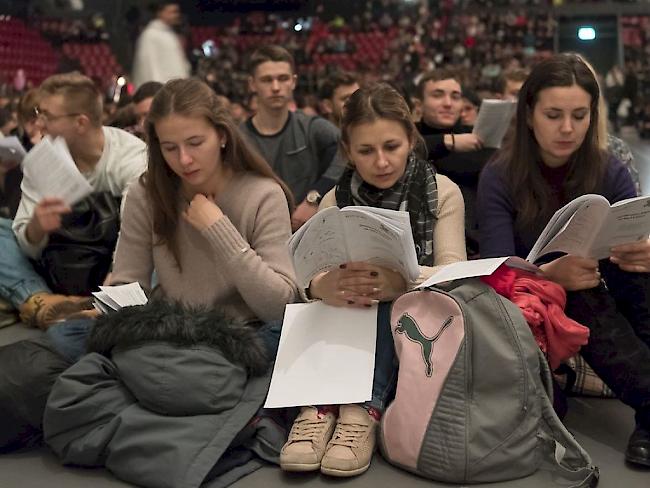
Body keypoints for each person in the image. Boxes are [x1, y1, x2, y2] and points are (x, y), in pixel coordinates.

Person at [280, 83, 466, 477]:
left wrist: (403, 281)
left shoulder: (442, 192)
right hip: (344, 315)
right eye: (366, 151)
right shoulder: (334, 198)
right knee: (302, 314)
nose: (381, 161)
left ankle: (358, 412)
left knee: (382, 307)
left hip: (413, 322)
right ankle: (318, 410)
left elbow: (454, 273)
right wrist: (319, 286)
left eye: (392, 147)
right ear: (348, 150)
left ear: (411, 140)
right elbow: (307, 275)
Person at [477, 53, 650, 468]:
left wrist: (642, 248)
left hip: (604, 276)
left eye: (579, 115)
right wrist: (549, 273)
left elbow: (630, 226)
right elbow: (495, 269)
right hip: (539, 294)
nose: (568, 128)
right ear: (530, 114)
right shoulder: (500, 175)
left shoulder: (606, 166)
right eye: (554, 115)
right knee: (584, 297)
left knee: (639, 273)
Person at [0, 72, 147, 329]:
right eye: (38, 113)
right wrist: (35, 229)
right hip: (60, 265)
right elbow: (27, 245)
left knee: (163, 248)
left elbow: (138, 240)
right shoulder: (42, 161)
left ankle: (102, 310)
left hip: (114, 266)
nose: (40, 124)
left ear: (80, 122)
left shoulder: (131, 159)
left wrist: (120, 281)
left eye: (48, 116)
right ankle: (42, 302)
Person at [239, 45, 344, 232]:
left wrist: (314, 197)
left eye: (283, 78)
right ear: (252, 84)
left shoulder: (312, 127)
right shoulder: (239, 138)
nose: (276, 87)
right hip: (256, 232)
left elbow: (348, 149)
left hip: (307, 232)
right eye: (266, 80)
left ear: (293, 82)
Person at [415, 69, 490, 257]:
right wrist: (448, 142)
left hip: (476, 246)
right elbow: (405, 148)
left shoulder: (478, 139)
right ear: (419, 104)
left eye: (455, 97)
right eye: (437, 95)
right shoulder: (408, 137)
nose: (448, 103)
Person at [131, 1, 190, 88]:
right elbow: (149, 67)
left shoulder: (169, 34)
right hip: (160, 90)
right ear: (160, 13)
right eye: (172, 12)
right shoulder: (150, 35)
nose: (176, 15)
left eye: (177, 12)